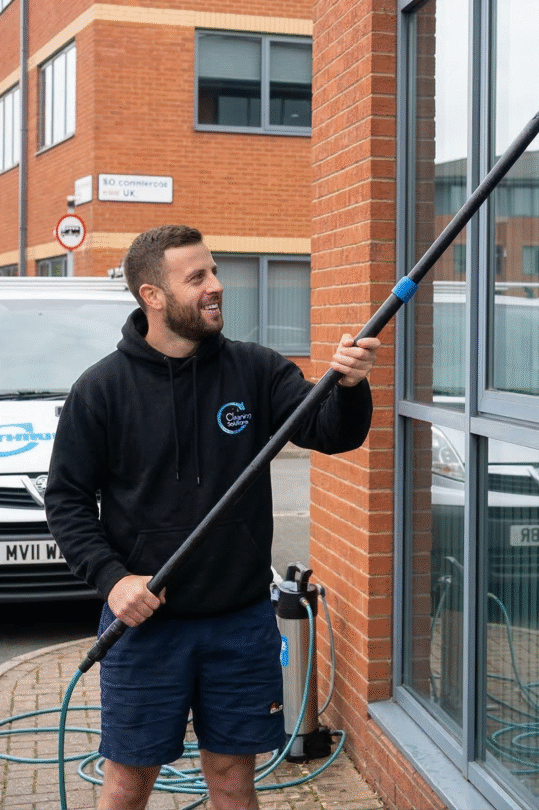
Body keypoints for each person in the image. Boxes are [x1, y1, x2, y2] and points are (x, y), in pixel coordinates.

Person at [45, 225, 380, 810]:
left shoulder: (255, 371)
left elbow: (333, 432)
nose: (216, 286)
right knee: (130, 780)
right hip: (146, 626)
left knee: (231, 776)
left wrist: (350, 385)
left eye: (215, 271)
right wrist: (113, 579)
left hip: (239, 622)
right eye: (197, 277)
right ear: (152, 295)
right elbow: (67, 500)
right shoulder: (101, 390)